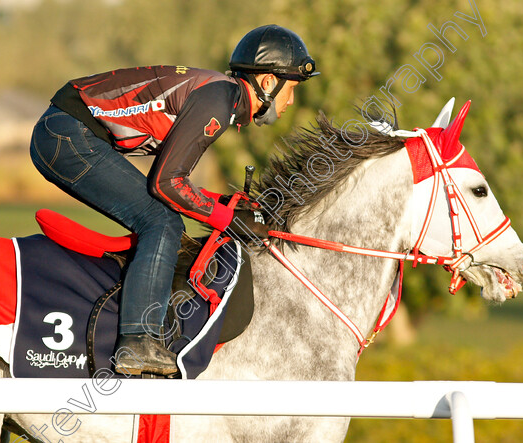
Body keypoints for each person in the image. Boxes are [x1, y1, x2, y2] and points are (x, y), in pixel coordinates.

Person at [29, 24, 319, 376]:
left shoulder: (220, 95)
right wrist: (226, 219)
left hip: (64, 130)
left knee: (162, 216)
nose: (291, 101)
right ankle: (137, 341)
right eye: (293, 89)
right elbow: (166, 184)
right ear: (269, 82)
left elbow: (172, 180)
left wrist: (222, 204)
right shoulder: (218, 100)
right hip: (65, 134)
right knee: (162, 222)